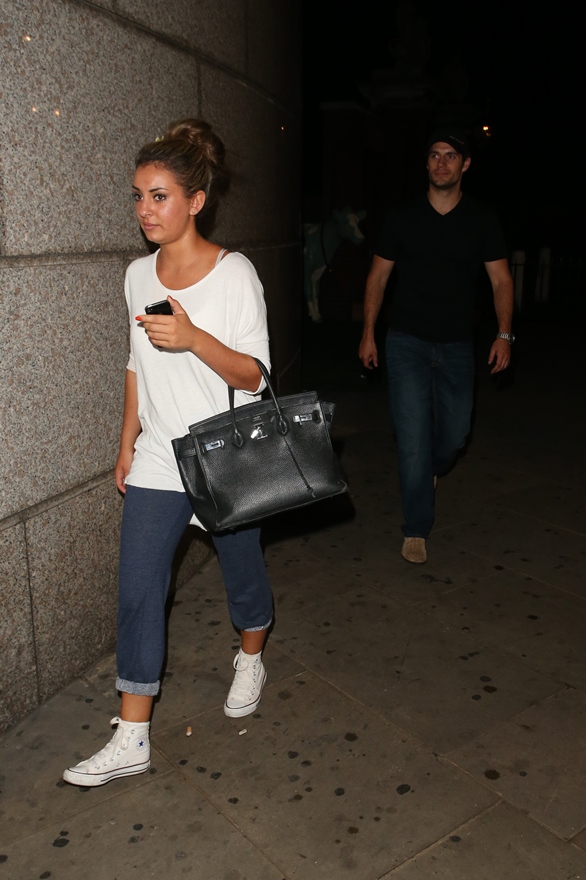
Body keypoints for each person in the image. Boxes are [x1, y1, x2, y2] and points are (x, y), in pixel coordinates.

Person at [63, 119, 273, 786]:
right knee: (138, 591)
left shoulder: (234, 274)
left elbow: (255, 376)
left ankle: (251, 655)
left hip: (223, 455)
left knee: (243, 574)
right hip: (160, 457)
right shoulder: (136, 275)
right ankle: (132, 735)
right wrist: (125, 442)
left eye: (159, 196)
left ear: (196, 200)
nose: (145, 210)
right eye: (138, 196)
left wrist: (192, 337)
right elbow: (135, 364)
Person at [358, 128, 514, 565]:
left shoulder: (482, 219)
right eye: (433, 155)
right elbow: (378, 278)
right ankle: (416, 527)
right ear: (425, 163)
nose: (441, 163)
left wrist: (504, 333)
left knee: (456, 434)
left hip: (458, 345)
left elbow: (501, 280)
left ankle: (429, 471)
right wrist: (368, 332)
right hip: (406, 341)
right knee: (412, 439)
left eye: (450, 156)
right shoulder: (402, 218)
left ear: (465, 165)